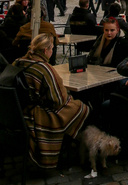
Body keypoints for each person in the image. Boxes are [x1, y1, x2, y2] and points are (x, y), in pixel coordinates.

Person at [14, 33, 89, 169]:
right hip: (35, 114)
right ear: (45, 50)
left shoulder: (19, 61)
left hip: (17, 110)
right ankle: (66, 147)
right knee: (80, 107)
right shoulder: (44, 68)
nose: (52, 51)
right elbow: (58, 99)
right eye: (52, 48)